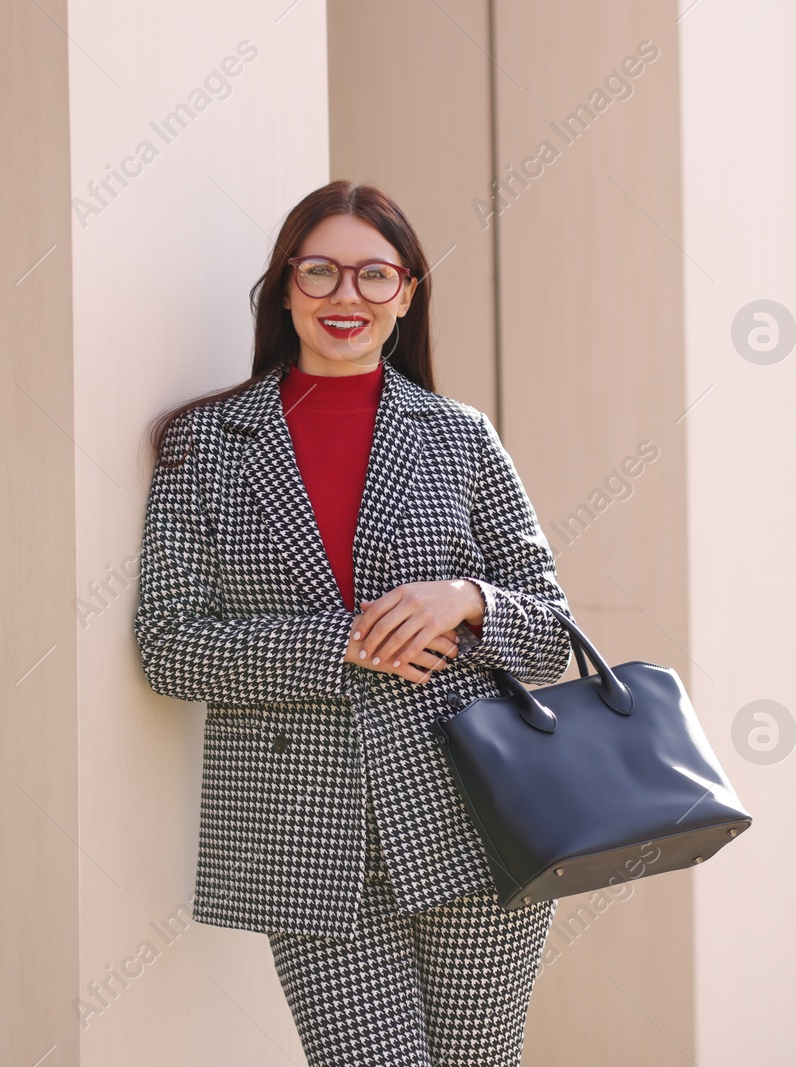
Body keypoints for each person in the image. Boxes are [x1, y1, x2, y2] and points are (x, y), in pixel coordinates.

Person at [132, 179, 575, 1065]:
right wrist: (341, 642)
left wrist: (470, 598)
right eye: (322, 272)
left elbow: (553, 632)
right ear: (285, 287)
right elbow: (169, 644)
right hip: (307, 833)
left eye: (375, 275)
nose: (347, 297)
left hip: (475, 820)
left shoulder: (461, 437)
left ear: (407, 293)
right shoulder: (205, 444)